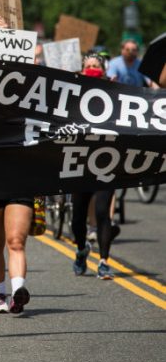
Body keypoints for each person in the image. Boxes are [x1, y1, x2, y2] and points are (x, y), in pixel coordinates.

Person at [71, 54, 117, 280]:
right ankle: (81, 250)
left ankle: (104, 261)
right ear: (81, 71)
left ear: (104, 70)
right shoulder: (72, 93)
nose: (91, 69)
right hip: (79, 161)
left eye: (95, 66)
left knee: (101, 212)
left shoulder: (117, 93)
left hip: (106, 160)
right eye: (88, 66)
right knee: (78, 217)